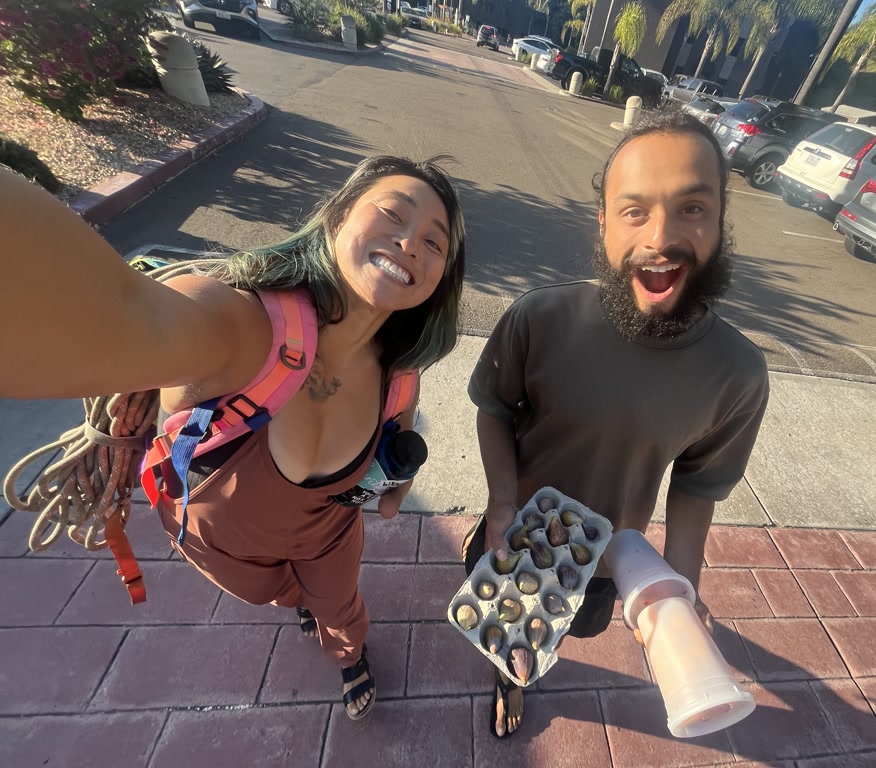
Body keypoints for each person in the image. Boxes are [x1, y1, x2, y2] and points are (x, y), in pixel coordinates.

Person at [0, 155, 466, 721]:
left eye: (434, 243)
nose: (410, 243)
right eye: (393, 213)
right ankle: (299, 603)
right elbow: (127, 314)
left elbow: (402, 432)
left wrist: (395, 481)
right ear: (337, 216)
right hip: (220, 543)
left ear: (441, 279)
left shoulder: (400, 371)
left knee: (340, 606)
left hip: (328, 533)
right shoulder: (242, 328)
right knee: (279, 594)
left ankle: (346, 654)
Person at [462, 112, 770, 738]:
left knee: (559, 633)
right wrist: (499, 503)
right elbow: (494, 407)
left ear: (719, 223)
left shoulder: (737, 373)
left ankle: (529, 666)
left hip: (608, 562)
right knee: (507, 634)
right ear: (602, 225)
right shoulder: (538, 318)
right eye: (635, 211)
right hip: (514, 535)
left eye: (691, 208)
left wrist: (683, 581)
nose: (661, 236)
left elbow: (698, 483)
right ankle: (510, 680)